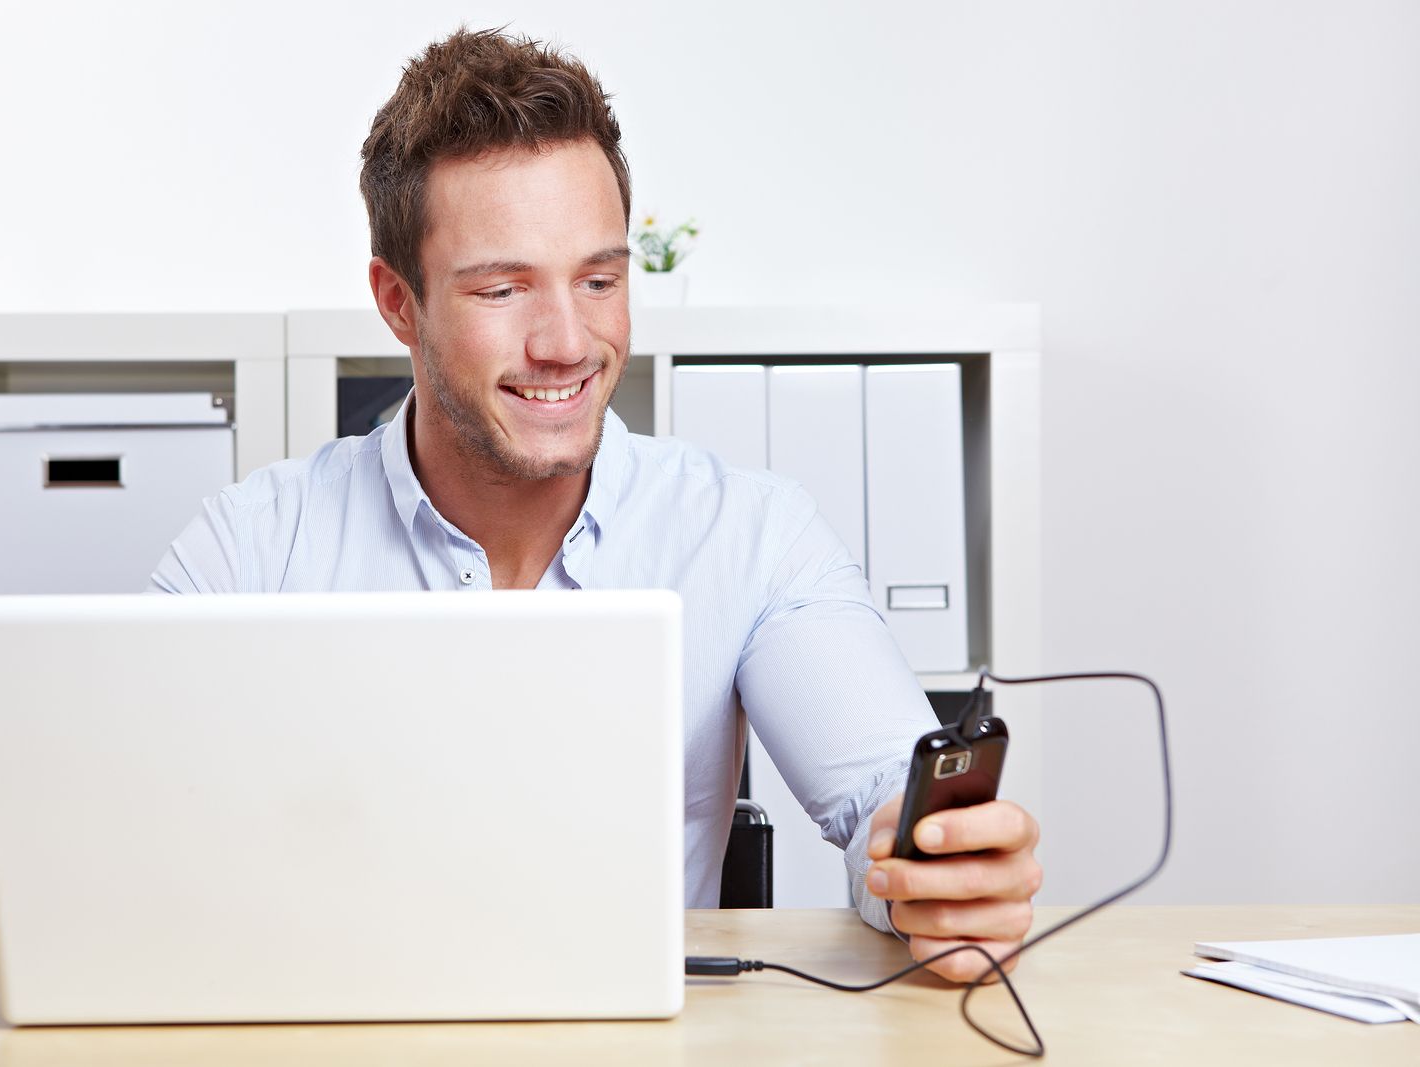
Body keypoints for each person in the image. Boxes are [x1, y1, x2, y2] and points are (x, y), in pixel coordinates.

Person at [149, 27, 1041, 984]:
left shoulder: (750, 536)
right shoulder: (248, 552)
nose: (567, 342)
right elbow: (97, 838)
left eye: (599, 281)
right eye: (503, 288)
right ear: (399, 301)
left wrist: (937, 874)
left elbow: (884, 794)